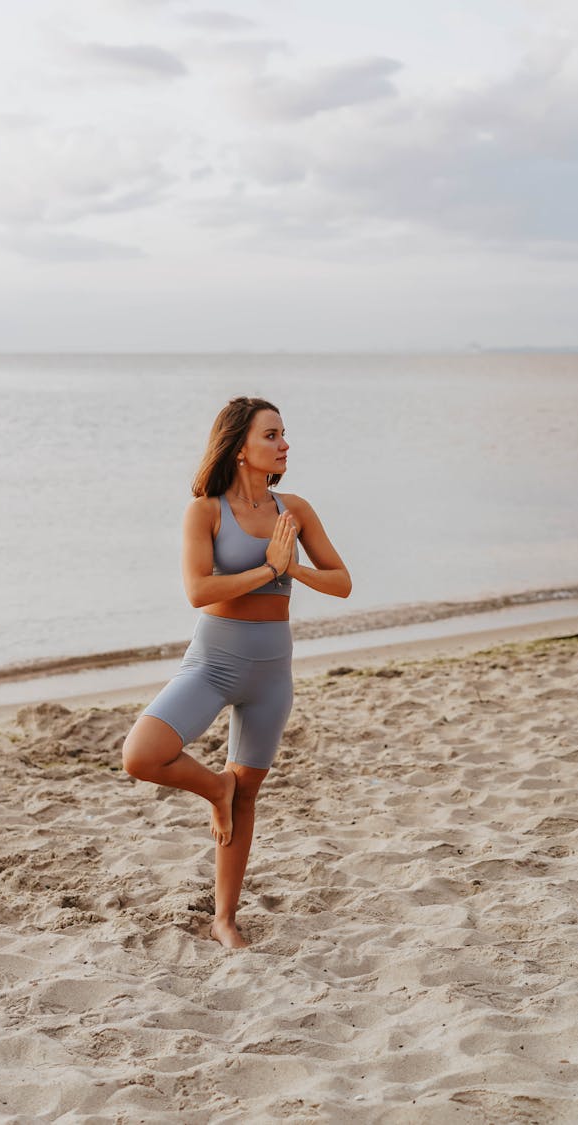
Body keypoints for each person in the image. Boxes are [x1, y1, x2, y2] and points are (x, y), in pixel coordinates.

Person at [122, 396, 351, 948]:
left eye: (283, 434)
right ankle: (214, 788)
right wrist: (266, 569)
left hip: (272, 673)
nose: (284, 444)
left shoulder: (293, 511)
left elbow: (341, 581)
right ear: (239, 446)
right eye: (271, 435)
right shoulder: (205, 510)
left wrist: (290, 564)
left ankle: (225, 918)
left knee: (249, 797)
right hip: (214, 664)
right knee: (142, 755)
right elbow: (199, 591)